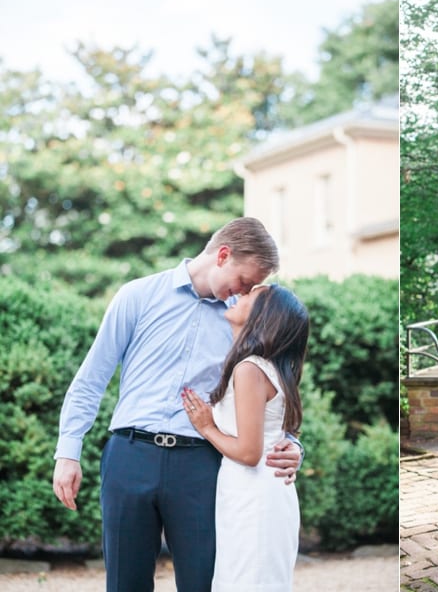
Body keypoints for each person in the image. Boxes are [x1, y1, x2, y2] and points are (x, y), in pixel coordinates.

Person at [52, 217, 303, 592]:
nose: (246, 291)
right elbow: (91, 379)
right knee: (124, 584)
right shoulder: (137, 295)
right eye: (246, 281)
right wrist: (67, 453)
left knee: (203, 583)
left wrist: (292, 444)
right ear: (223, 255)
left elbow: (272, 392)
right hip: (129, 456)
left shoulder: (244, 322)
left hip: (202, 466)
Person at [182, 283, 308, 591]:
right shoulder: (265, 367)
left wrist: (207, 427)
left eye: (253, 295)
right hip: (256, 490)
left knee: (247, 581)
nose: (243, 294)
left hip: (254, 494)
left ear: (265, 316)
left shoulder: (249, 369)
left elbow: (250, 452)